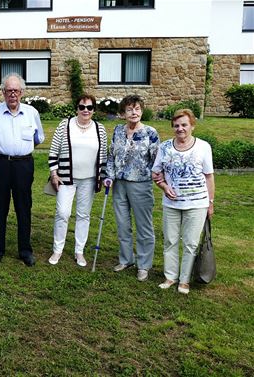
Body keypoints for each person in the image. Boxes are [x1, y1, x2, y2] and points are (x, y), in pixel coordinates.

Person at [0, 73, 45, 266]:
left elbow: (38, 138)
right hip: (0, 164)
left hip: (23, 165)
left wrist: (22, 152)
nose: (12, 94)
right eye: (8, 91)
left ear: (21, 92)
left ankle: (25, 250)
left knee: (24, 207)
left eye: (15, 90)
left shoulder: (32, 113)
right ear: (3, 93)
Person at [152, 109, 215, 295]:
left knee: (190, 243)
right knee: (170, 240)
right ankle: (170, 277)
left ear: (192, 126)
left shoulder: (204, 147)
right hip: (171, 204)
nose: (180, 129)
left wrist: (210, 203)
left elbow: (209, 177)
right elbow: (156, 173)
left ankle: (185, 280)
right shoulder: (164, 147)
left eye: (184, 125)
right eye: (177, 125)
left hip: (197, 203)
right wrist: (164, 186)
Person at [103, 95, 160, 282]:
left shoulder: (150, 133)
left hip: (140, 184)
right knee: (122, 224)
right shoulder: (118, 130)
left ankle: (143, 265)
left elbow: (156, 161)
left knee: (144, 226)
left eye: (136, 109)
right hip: (119, 184)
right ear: (123, 113)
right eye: (129, 109)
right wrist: (109, 175)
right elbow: (111, 156)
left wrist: (153, 176)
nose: (133, 112)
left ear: (141, 111)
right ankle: (126, 259)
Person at [47, 94, 108, 267]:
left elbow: (103, 154)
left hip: (89, 180)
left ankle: (79, 251)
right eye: (82, 107)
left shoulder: (100, 129)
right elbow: (53, 152)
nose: (85, 111)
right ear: (77, 108)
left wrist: (102, 176)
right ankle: (57, 249)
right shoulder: (65, 125)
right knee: (63, 213)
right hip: (66, 178)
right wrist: (54, 173)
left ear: (94, 110)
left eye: (89, 107)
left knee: (83, 215)